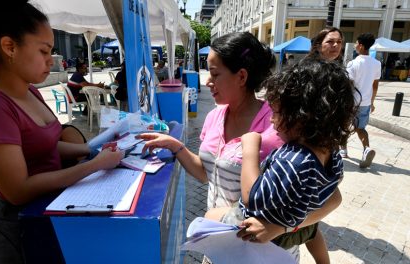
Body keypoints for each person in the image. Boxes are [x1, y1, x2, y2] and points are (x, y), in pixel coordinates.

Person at [137, 32, 342, 263]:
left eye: (214, 74)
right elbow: (207, 173)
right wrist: (176, 147)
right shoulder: (214, 116)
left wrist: (279, 228)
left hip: (264, 254)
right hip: (219, 244)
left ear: (241, 76)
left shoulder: (282, 124)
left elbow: (329, 198)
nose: (207, 82)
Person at [0, 1, 123, 263]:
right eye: (44, 51)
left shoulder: (30, 91)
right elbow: (17, 190)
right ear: (10, 47)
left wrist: (91, 149)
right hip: (18, 230)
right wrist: (94, 165)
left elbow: (46, 145)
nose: (51, 60)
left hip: (49, 212)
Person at [206, 58, 358, 264]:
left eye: (276, 112)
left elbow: (252, 197)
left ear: (302, 117)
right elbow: (332, 192)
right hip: (296, 228)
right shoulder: (331, 153)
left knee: (210, 217)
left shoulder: (293, 160)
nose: (271, 119)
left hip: (258, 226)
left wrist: (250, 148)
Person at [340, 33, 381, 168]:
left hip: (352, 102)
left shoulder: (353, 63)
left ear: (361, 46)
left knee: (344, 126)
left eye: (357, 43)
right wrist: (372, 102)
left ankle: (343, 150)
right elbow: (375, 86)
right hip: (366, 103)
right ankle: (366, 149)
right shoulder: (376, 63)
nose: (356, 45)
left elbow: (349, 85)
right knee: (361, 128)